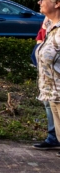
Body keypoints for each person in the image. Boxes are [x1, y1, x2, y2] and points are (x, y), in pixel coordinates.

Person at [33, 14, 59, 149]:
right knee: (49, 103)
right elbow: (41, 35)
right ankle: (53, 137)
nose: (40, 2)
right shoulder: (49, 18)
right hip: (48, 77)